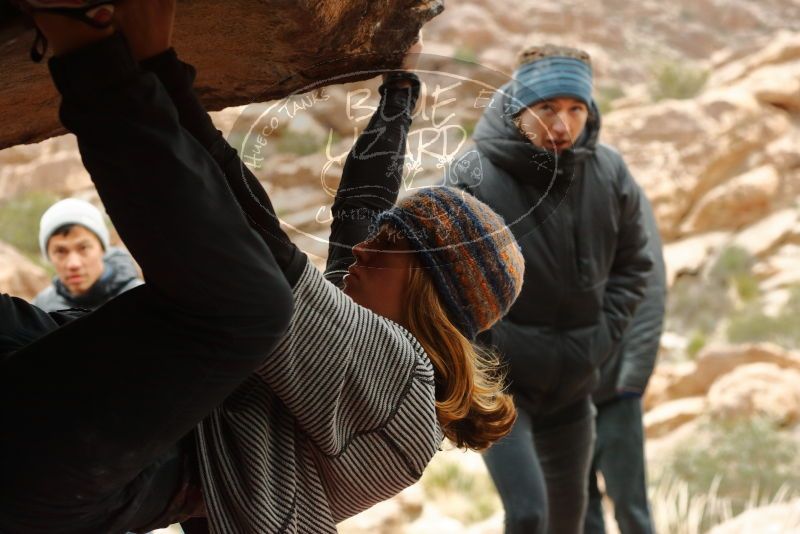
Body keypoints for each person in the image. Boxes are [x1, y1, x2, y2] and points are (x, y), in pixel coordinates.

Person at [2, 3, 524, 533]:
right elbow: (361, 207)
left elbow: (261, 233)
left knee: (255, 308)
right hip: (72, 387)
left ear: (430, 295)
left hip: (82, 468)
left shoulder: (402, 398)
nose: (363, 250)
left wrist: (155, 62)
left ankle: (80, 41)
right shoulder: (363, 336)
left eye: (390, 248)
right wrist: (401, 88)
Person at [452, 44, 654, 534]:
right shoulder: (473, 174)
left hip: (573, 389)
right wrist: (488, 351)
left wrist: (601, 337)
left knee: (566, 524)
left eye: (575, 109)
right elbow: (442, 282)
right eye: (547, 109)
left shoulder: (610, 173)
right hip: (503, 387)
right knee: (527, 515)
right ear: (520, 107)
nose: (562, 125)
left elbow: (635, 265)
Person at [585, 194, 667, 534]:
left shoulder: (613, 182)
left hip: (617, 391)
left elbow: (651, 284)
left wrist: (633, 376)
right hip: (561, 397)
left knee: (632, 511)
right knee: (579, 514)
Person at [33, 197, 142, 312]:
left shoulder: (140, 299)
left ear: (102, 249)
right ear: (49, 256)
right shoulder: (41, 308)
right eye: (60, 251)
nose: (73, 264)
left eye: (83, 248)